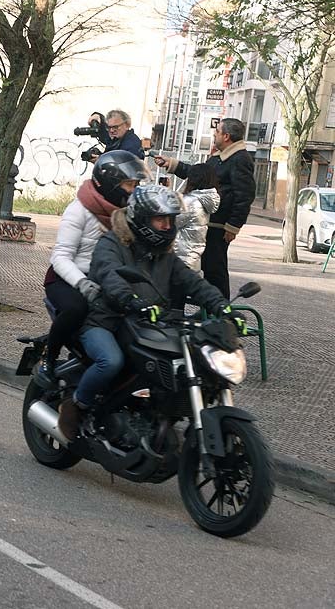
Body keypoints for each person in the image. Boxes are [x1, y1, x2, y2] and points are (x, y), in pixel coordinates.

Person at [56, 185, 244, 440]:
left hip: (149, 324)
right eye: (160, 219)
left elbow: (193, 282)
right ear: (142, 219)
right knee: (110, 361)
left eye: (170, 219)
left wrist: (224, 307)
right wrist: (130, 300)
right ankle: (77, 404)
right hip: (106, 320)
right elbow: (109, 275)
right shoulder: (111, 243)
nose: (168, 226)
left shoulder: (164, 255)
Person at [40, 150, 146, 378]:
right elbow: (60, 257)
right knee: (76, 309)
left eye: (136, 184)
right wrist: (82, 283)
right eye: (129, 184)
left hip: (107, 277)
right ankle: (49, 355)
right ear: (110, 183)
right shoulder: (78, 210)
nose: (134, 190)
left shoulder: (126, 213)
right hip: (67, 278)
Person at [154, 117, 255, 297]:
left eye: (217, 132)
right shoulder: (219, 158)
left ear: (226, 136)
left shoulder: (240, 159)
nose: (214, 135)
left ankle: (221, 313)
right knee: (208, 267)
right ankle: (210, 309)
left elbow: (245, 195)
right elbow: (198, 174)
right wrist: (172, 163)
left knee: (215, 270)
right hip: (208, 221)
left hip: (219, 225)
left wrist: (233, 226)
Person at [174, 164, 221, 274]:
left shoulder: (189, 202)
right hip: (193, 256)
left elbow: (170, 222)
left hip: (180, 257)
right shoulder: (203, 200)